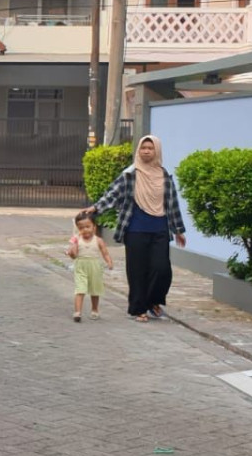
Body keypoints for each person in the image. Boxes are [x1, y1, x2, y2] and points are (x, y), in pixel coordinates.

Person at [80, 134, 187, 324]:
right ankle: (139, 309)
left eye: (150, 148)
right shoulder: (130, 174)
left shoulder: (164, 176)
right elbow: (113, 194)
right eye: (143, 148)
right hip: (135, 229)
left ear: (157, 151)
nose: (146, 151)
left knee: (162, 269)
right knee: (137, 271)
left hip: (160, 229)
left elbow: (172, 204)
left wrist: (178, 230)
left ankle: (153, 301)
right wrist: (96, 208)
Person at [67, 214, 114, 322]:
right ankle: (77, 312)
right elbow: (74, 256)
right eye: (81, 228)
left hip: (95, 267)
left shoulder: (98, 240)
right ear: (78, 229)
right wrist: (72, 251)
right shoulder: (77, 240)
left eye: (88, 226)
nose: (85, 230)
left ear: (94, 227)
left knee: (95, 290)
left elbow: (105, 253)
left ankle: (94, 309)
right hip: (80, 267)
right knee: (80, 289)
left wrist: (109, 262)